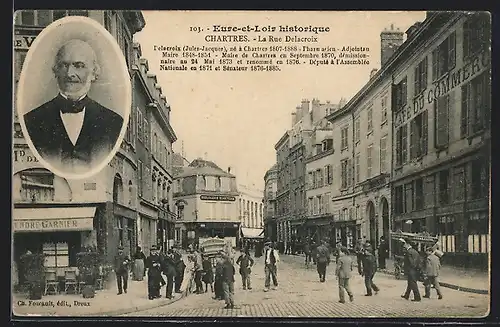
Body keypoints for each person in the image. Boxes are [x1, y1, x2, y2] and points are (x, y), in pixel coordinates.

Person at [23, 39, 124, 173]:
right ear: (55, 71)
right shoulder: (31, 120)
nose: (70, 73)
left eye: (79, 65)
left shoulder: (114, 122)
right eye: (64, 65)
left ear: (94, 73)